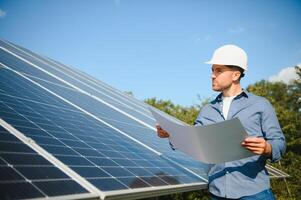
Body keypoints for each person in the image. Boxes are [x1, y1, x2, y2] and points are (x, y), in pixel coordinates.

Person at [156, 44, 286, 199]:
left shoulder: (260, 105)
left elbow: (279, 143)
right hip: (217, 193)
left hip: (254, 193)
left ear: (235, 75)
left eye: (219, 70)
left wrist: (267, 148)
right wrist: (171, 134)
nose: (212, 75)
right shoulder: (207, 110)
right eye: (212, 70)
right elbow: (194, 142)